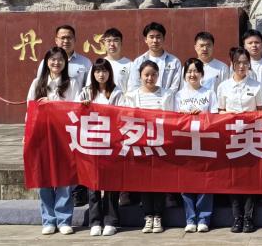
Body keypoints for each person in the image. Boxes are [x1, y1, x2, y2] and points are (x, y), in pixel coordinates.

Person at [27, 47, 78, 235]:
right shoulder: (37, 83)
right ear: (46, 62)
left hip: (64, 136)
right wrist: (27, 135)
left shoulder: (72, 83)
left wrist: (54, 105)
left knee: (65, 178)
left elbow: (75, 108)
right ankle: (48, 220)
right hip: (41, 136)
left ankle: (64, 219)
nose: (56, 63)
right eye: (53, 59)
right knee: (44, 177)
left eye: (60, 60)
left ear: (65, 63)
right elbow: (30, 110)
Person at [124, 60, 176, 234]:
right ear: (140, 75)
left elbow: (173, 117)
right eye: (146, 75)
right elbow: (126, 119)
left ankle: (158, 216)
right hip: (141, 145)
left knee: (159, 182)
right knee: (145, 182)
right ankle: (148, 216)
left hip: (161, 144)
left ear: (158, 75)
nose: (150, 78)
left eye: (153, 74)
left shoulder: (167, 94)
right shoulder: (131, 96)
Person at [217, 47, 262, 233]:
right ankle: (237, 217)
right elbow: (220, 111)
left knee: (250, 178)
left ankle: (249, 218)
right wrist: (230, 115)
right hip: (231, 137)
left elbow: (261, 112)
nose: (242, 66)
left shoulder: (256, 86)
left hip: (251, 137)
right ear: (232, 64)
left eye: (245, 63)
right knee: (234, 179)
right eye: (238, 63)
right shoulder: (223, 86)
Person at [77, 59, 123, 237]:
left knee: (111, 183)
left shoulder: (117, 92)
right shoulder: (86, 91)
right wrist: (83, 107)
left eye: (104, 71)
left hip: (111, 143)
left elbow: (122, 113)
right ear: (93, 74)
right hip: (91, 142)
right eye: (97, 71)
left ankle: (111, 221)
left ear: (110, 73)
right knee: (92, 183)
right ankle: (95, 222)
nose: (101, 74)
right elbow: (74, 111)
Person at [175, 58, 217, 233]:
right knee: (186, 181)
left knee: (205, 180)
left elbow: (215, 117)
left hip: (205, 141)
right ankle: (190, 218)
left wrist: (202, 115)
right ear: (184, 75)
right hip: (185, 142)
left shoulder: (209, 93)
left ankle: (204, 219)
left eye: (196, 71)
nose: (192, 74)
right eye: (189, 71)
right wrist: (182, 115)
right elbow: (172, 118)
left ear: (202, 74)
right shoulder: (179, 95)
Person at [129, 22, 183, 92]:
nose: (155, 41)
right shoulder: (138, 62)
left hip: (167, 98)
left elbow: (175, 87)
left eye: (158, 37)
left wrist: (165, 97)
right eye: (151, 37)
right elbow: (135, 86)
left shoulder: (174, 62)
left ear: (163, 38)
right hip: (143, 98)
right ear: (145, 39)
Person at [36, 25, 92, 89]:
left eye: (69, 38)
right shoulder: (47, 62)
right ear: (56, 40)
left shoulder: (85, 62)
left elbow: (89, 86)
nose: (66, 41)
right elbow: (40, 83)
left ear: (74, 40)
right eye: (63, 38)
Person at [101, 28, 132, 92]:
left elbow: (132, 90)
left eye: (116, 40)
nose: (112, 44)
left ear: (121, 43)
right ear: (104, 43)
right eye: (109, 41)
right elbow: (91, 88)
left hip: (122, 98)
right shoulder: (98, 64)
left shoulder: (130, 65)